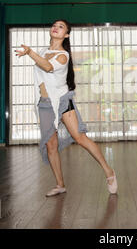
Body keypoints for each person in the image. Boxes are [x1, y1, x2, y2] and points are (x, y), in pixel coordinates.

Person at [15, 19, 117, 197]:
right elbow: (41, 70)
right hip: (45, 104)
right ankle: (60, 184)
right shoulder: (43, 52)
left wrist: (29, 52)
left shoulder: (63, 55)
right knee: (50, 144)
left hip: (61, 101)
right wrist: (33, 53)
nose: (56, 28)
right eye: (54, 25)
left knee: (80, 138)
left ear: (66, 35)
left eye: (61, 27)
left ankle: (109, 171)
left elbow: (47, 67)